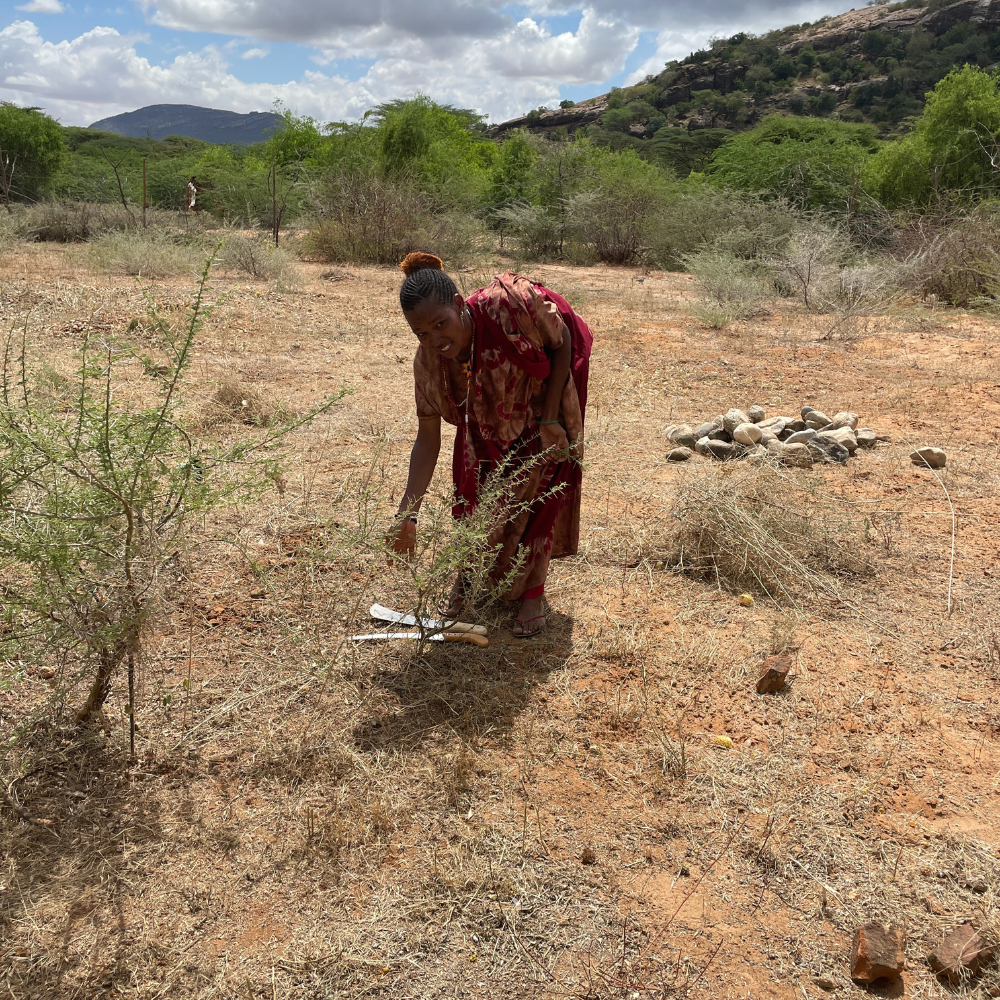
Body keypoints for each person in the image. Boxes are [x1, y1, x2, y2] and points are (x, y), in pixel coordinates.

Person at [388, 253, 592, 637]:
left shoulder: (508, 307)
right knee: (471, 502)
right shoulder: (429, 364)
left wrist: (550, 418)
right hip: (481, 428)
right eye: (422, 333)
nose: (435, 340)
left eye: (440, 324)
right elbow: (427, 437)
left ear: (458, 303)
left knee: (539, 498)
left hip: (537, 410)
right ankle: (466, 578)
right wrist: (407, 513)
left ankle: (533, 593)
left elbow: (561, 339)